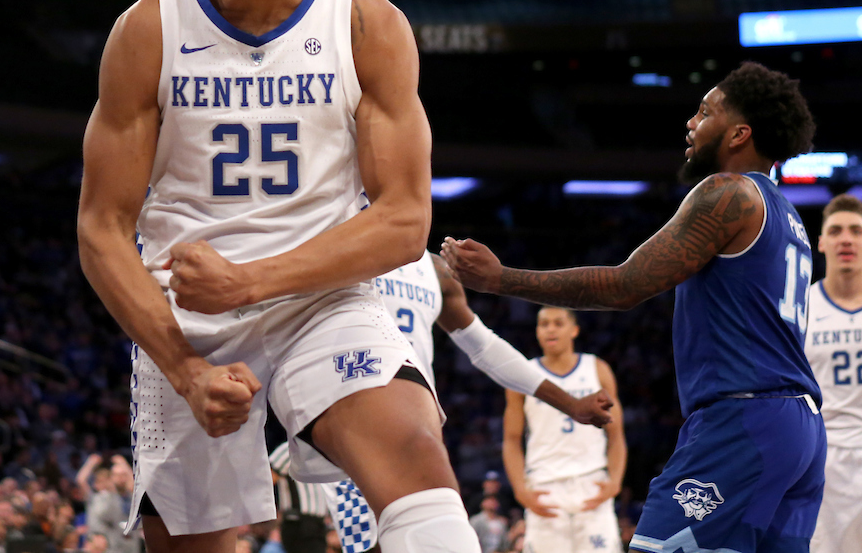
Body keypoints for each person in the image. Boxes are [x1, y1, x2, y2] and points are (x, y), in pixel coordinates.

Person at [78, 0, 476, 553]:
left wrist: (249, 281)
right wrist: (189, 369)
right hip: (184, 319)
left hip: (319, 298)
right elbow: (100, 228)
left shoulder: (366, 22)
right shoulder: (149, 28)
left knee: (419, 461)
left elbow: (404, 221)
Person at [443, 62, 825, 552]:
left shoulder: (727, 193)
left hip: (744, 420)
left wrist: (500, 279)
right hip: (801, 430)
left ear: (738, 134)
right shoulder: (790, 217)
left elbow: (624, 285)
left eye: (705, 112)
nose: (691, 122)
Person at [321, 252, 613, 553]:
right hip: (354, 428)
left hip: (419, 430)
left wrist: (571, 404)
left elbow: (483, 345)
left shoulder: (434, 269)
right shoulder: (335, 240)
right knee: (372, 546)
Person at [503, 307, 625, 553]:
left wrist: (615, 482)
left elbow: (616, 434)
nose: (550, 329)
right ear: (537, 331)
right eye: (544, 324)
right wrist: (520, 490)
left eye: (558, 323)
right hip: (545, 486)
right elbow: (511, 439)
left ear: (574, 330)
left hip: (592, 482)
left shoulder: (597, 368)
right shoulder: (523, 375)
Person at [805, 193, 862, 553]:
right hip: (822, 461)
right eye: (837, 230)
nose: (846, 238)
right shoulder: (799, 309)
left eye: (856, 231)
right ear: (822, 242)